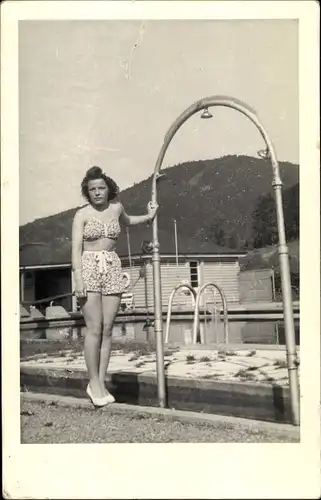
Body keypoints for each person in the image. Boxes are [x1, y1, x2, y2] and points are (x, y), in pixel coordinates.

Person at [72, 166, 158, 407]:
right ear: (86, 193)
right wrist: (78, 277)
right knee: (95, 327)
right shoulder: (81, 215)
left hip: (112, 266)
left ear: (109, 189)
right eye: (91, 189)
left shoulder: (117, 208)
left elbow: (129, 221)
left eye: (100, 188)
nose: (97, 192)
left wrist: (149, 216)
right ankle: (94, 382)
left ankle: (100, 381)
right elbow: (75, 249)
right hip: (88, 268)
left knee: (108, 328)